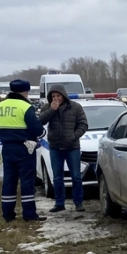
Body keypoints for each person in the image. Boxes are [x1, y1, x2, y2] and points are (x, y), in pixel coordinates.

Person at [0, 79, 46, 223]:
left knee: (9, 181)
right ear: (25, 92)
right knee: (27, 181)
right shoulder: (25, 106)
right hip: (25, 148)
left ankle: (8, 214)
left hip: (7, 149)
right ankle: (29, 214)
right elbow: (37, 129)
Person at [38, 84, 89, 212]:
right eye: (53, 96)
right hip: (55, 147)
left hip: (72, 147)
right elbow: (40, 122)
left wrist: (73, 136)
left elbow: (83, 124)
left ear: (63, 95)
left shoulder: (75, 107)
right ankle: (59, 203)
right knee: (57, 177)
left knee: (76, 176)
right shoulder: (47, 107)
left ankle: (78, 202)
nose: (56, 98)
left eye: (58, 96)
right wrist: (52, 110)